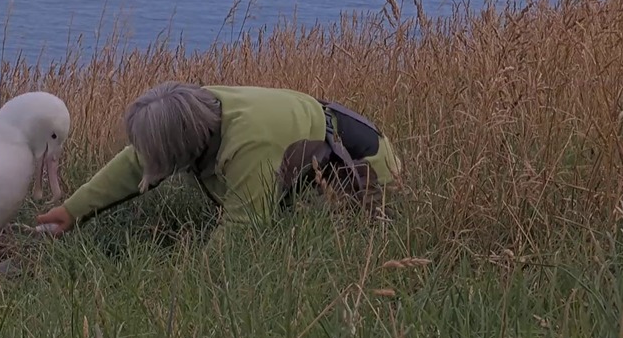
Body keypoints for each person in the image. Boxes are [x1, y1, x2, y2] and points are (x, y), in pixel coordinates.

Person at [34, 82, 401, 237]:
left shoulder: (248, 147)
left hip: (364, 172)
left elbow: (243, 231)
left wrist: (182, 288)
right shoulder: (196, 110)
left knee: (309, 238)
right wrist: (72, 211)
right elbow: (137, 163)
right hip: (317, 153)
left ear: (180, 148)